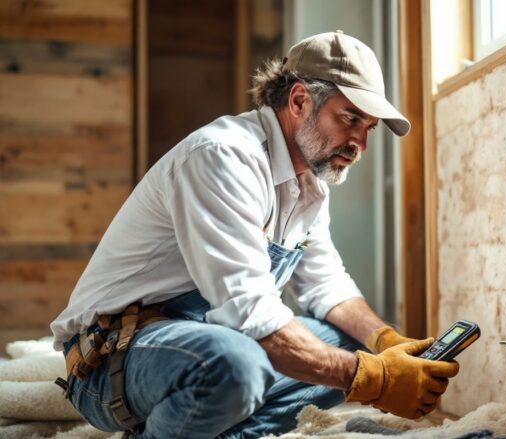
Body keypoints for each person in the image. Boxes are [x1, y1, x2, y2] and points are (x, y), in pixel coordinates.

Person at [50, 31, 459, 438]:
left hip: (205, 336)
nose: (359, 144)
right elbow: (250, 314)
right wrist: (374, 380)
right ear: (299, 101)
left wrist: (385, 343)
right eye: (350, 119)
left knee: (352, 342)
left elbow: (326, 285)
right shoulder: (223, 157)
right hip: (113, 358)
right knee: (235, 363)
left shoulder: (310, 183)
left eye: (368, 128)